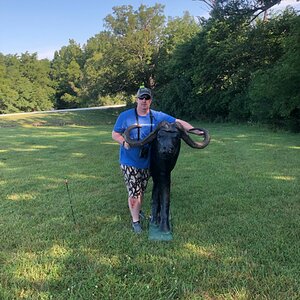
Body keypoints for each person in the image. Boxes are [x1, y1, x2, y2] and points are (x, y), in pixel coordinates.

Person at [112, 86, 199, 234]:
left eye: (147, 98)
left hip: (148, 162)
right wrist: (125, 143)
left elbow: (177, 122)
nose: (144, 101)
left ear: (150, 100)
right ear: (137, 99)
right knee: (135, 193)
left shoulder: (157, 116)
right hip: (130, 161)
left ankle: (139, 212)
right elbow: (115, 134)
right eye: (141, 98)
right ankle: (136, 222)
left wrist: (195, 131)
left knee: (141, 192)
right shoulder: (125, 116)